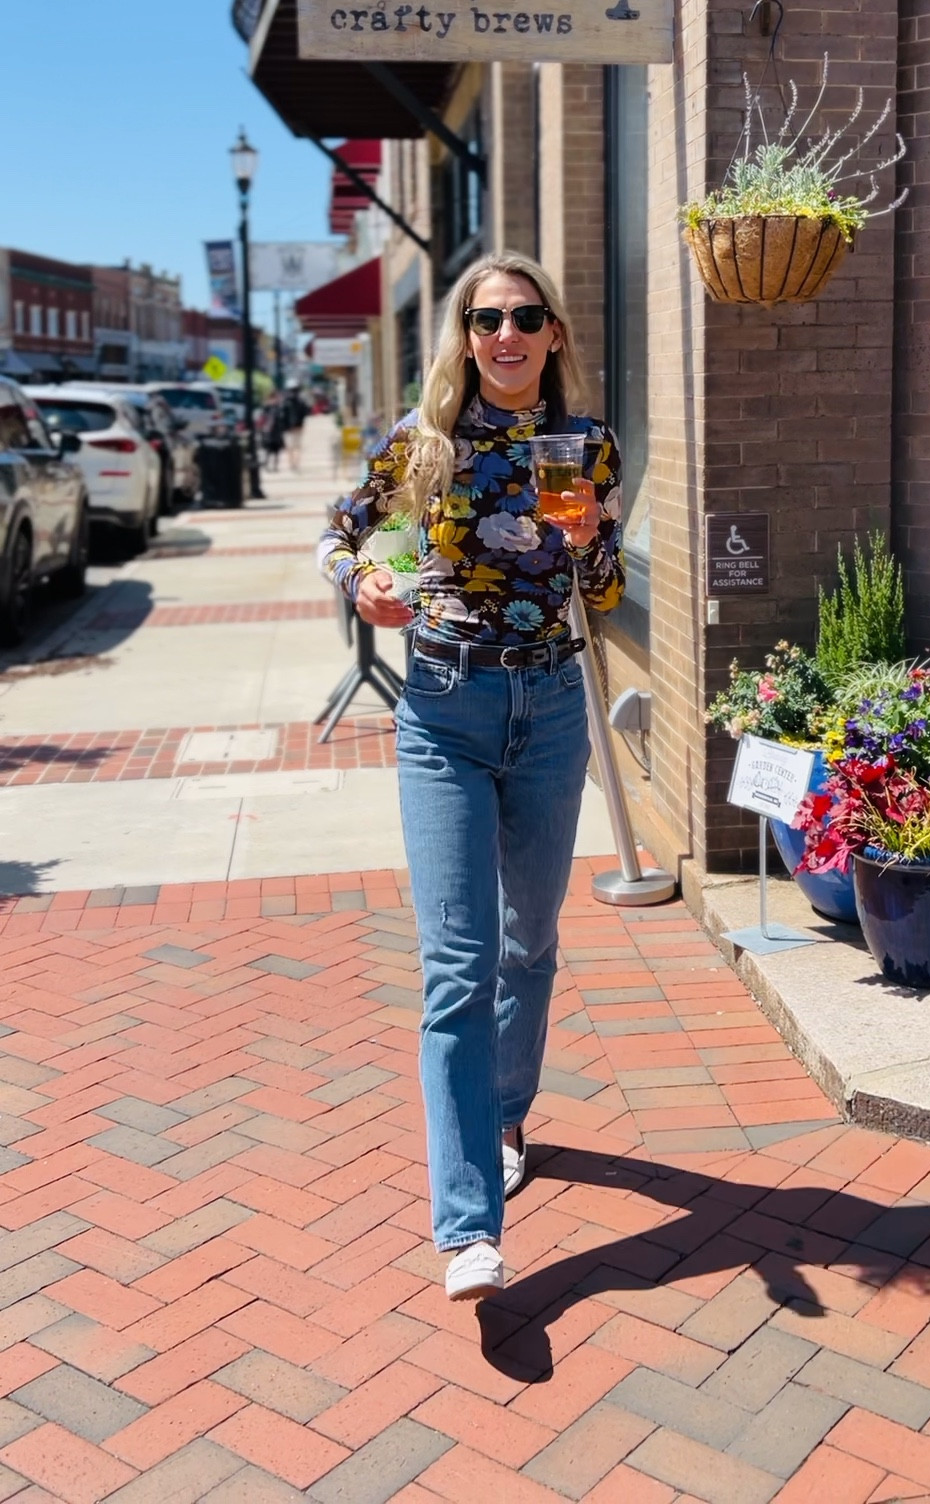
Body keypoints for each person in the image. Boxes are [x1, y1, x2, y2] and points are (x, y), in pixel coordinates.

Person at [317, 254, 623, 1302]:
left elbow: (605, 587)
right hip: (445, 707)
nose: (506, 333)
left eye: (525, 316)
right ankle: (466, 1228)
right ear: (463, 333)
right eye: (486, 317)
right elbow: (348, 538)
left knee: (528, 943)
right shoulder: (424, 446)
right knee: (458, 965)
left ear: (552, 336)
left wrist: (589, 542)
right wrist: (365, 584)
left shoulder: (584, 446)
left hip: (550, 709)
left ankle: (502, 1117)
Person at [282, 384, 308, 471]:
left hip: (288, 428)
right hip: (298, 427)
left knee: (290, 447)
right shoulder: (301, 402)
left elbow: (282, 416)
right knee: (297, 446)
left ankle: (291, 463)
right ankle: (296, 463)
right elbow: (306, 413)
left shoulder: (285, 402)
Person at [260, 393, 285, 471]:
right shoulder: (267, 408)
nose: (274, 400)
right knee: (268, 450)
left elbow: (282, 418)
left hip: (277, 432)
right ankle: (267, 465)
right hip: (269, 433)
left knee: (276, 451)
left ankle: (275, 466)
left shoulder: (279, 408)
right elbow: (262, 418)